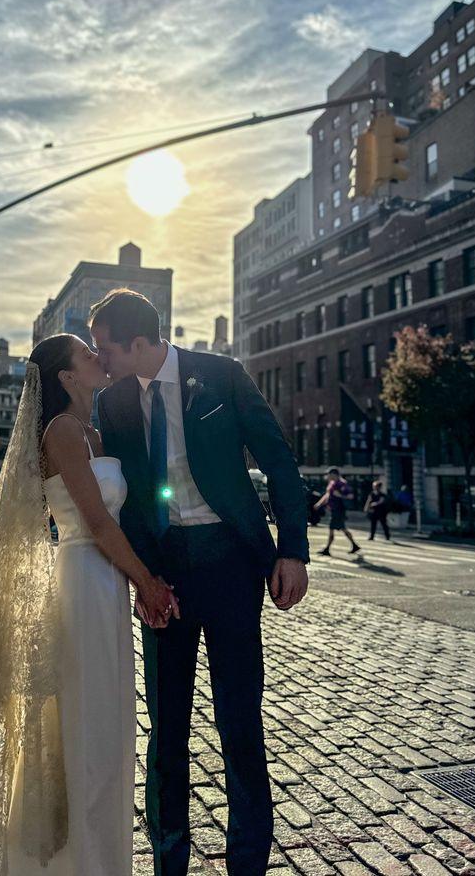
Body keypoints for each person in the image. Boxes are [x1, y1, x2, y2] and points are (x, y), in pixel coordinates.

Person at [91, 289, 310, 876]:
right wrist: (143, 577)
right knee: (166, 728)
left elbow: (279, 460)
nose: (99, 357)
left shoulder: (223, 375)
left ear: (138, 343)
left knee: (240, 717)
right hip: (165, 574)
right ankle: (169, 863)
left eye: (105, 346)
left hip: (232, 563)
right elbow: (129, 502)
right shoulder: (111, 403)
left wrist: (292, 550)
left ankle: (248, 863)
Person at [0, 333, 177, 876]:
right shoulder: (61, 431)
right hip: (83, 580)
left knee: (108, 725)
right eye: (85, 354)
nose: (99, 357)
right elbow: (97, 522)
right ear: (66, 377)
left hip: (106, 583)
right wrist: (147, 583)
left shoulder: (95, 430)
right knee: (86, 724)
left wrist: (141, 577)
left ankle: (99, 857)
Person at [315, 467, 361, 556]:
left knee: (332, 529)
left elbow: (351, 496)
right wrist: (319, 503)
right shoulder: (332, 483)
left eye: (329, 474)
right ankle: (354, 545)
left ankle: (327, 549)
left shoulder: (342, 484)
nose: (327, 476)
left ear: (334, 474)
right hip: (334, 510)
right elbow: (327, 495)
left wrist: (340, 495)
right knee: (343, 529)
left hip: (339, 511)